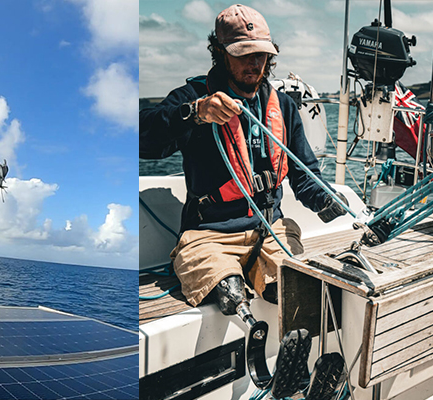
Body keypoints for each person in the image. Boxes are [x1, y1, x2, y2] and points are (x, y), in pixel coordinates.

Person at [139, 5, 348, 397]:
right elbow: (142, 137)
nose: (255, 63)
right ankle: (260, 359)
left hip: (271, 229)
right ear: (219, 53)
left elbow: (304, 172)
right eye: (243, 54)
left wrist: (327, 201)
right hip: (208, 235)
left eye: (262, 54)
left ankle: (300, 373)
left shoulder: (282, 106)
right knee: (229, 291)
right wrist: (195, 113)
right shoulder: (193, 98)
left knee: (286, 284)